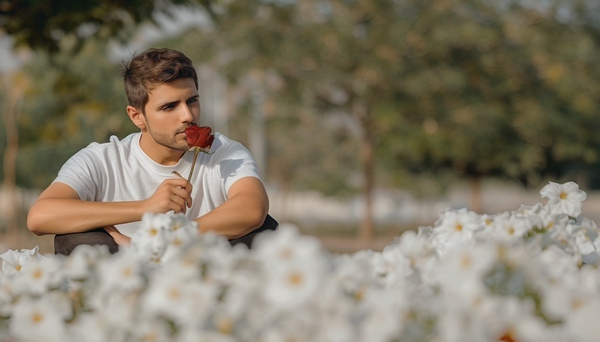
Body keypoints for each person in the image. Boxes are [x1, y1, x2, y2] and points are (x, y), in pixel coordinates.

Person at [26, 48, 276, 254]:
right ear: (137, 116)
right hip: (124, 281)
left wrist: (164, 239)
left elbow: (252, 208)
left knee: (263, 231)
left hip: (200, 274)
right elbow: (40, 216)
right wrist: (145, 207)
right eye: (169, 107)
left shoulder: (223, 151)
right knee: (76, 240)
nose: (188, 115)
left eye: (192, 100)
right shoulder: (102, 159)